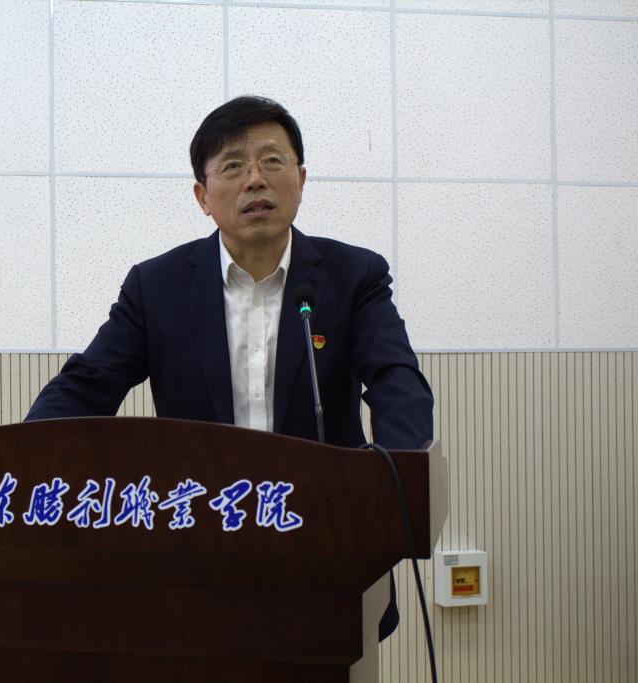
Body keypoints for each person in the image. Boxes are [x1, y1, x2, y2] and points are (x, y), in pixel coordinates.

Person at [26, 95, 433, 638]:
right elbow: (86, 385)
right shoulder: (157, 287)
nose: (255, 179)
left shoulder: (353, 275)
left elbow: (395, 379)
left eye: (272, 161)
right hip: (198, 559)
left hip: (329, 550)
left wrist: (400, 481)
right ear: (203, 195)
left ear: (301, 179)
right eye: (234, 166)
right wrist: (23, 462)